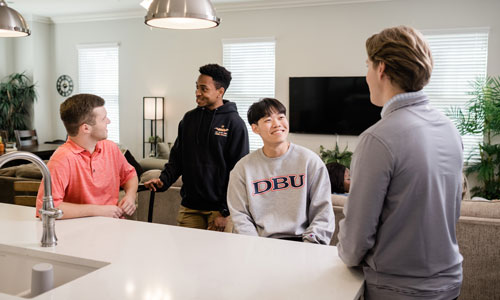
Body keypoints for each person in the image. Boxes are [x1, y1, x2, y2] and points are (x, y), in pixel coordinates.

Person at [337, 26, 463, 299]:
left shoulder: (378, 139)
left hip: (399, 288)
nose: (366, 75)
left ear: (381, 69)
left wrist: (345, 253)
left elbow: (356, 240)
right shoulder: (449, 128)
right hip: (449, 282)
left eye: (367, 65)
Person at [145, 64, 249, 232]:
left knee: (216, 258)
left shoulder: (234, 124)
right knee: (185, 256)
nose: (197, 92)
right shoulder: (189, 119)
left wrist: (225, 212)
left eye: (203, 88)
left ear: (220, 92)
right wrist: (163, 181)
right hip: (189, 207)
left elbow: (238, 173)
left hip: (218, 212)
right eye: (197, 87)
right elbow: (177, 159)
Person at [227, 98, 334, 244]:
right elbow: (240, 215)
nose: (277, 124)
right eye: (268, 120)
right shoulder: (242, 169)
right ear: (255, 128)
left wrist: (310, 245)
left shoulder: (310, 161)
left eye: (281, 117)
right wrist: (254, 247)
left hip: (304, 243)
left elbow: (323, 212)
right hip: (260, 245)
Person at [36, 94, 138, 219]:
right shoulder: (62, 158)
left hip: (113, 227)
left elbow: (130, 175)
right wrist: (97, 210)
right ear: (86, 128)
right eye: (103, 119)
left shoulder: (111, 148)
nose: (109, 121)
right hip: (80, 232)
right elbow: (46, 209)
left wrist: (130, 196)